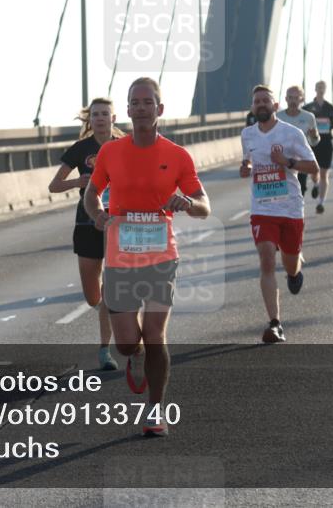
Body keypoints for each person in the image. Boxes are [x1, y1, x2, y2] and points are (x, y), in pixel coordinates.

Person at [84, 77, 211, 437]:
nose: (140, 108)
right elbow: (92, 194)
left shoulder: (177, 156)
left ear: (160, 109)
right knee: (126, 342)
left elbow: (204, 205)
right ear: (127, 110)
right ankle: (134, 354)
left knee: (155, 334)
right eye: (134, 102)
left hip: (160, 257)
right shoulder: (111, 152)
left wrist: (187, 203)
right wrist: (96, 214)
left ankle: (155, 409)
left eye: (147, 102)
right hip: (121, 258)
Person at [49, 98, 125, 371]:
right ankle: (103, 311)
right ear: (89, 120)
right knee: (93, 296)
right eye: (96, 114)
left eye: (106, 114)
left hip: (119, 222)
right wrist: (78, 182)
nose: (101, 118)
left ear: (114, 118)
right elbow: (54, 185)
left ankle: (105, 350)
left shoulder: (125, 145)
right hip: (86, 223)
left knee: (110, 291)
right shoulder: (81, 149)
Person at [241, 85, 319, 344]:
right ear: (253, 108)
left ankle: (295, 272)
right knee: (265, 258)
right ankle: (275, 323)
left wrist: (287, 162)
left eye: (266, 101)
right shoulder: (247, 135)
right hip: (262, 209)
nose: (261, 104)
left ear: (275, 106)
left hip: (290, 208)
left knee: (290, 262)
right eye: (257, 102)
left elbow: (313, 167)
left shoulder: (292, 133)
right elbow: (249, 161)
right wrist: (246, 167)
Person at [276, 86, 320, 198]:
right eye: (290, 98)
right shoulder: (277, 117)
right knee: (283, 193)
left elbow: (314, 142)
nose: (293, 101)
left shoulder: (309, 117)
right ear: (286, 99)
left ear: (302, 99)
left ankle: (298, 213)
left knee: (300, 191)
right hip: (282, 161)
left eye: (296, 98)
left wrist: (314, 136)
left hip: (301, 160)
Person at [303, 80, 333, 214]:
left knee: (324, 173)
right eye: (319, 87)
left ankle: (321, 202)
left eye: (323, 87)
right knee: (314, 172)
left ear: (325, 89)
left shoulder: (330, 107)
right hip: (312, 143)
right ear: (315, 89)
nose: (321, 89)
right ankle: (315, 184)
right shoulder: (307, 107)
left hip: (327, 142)